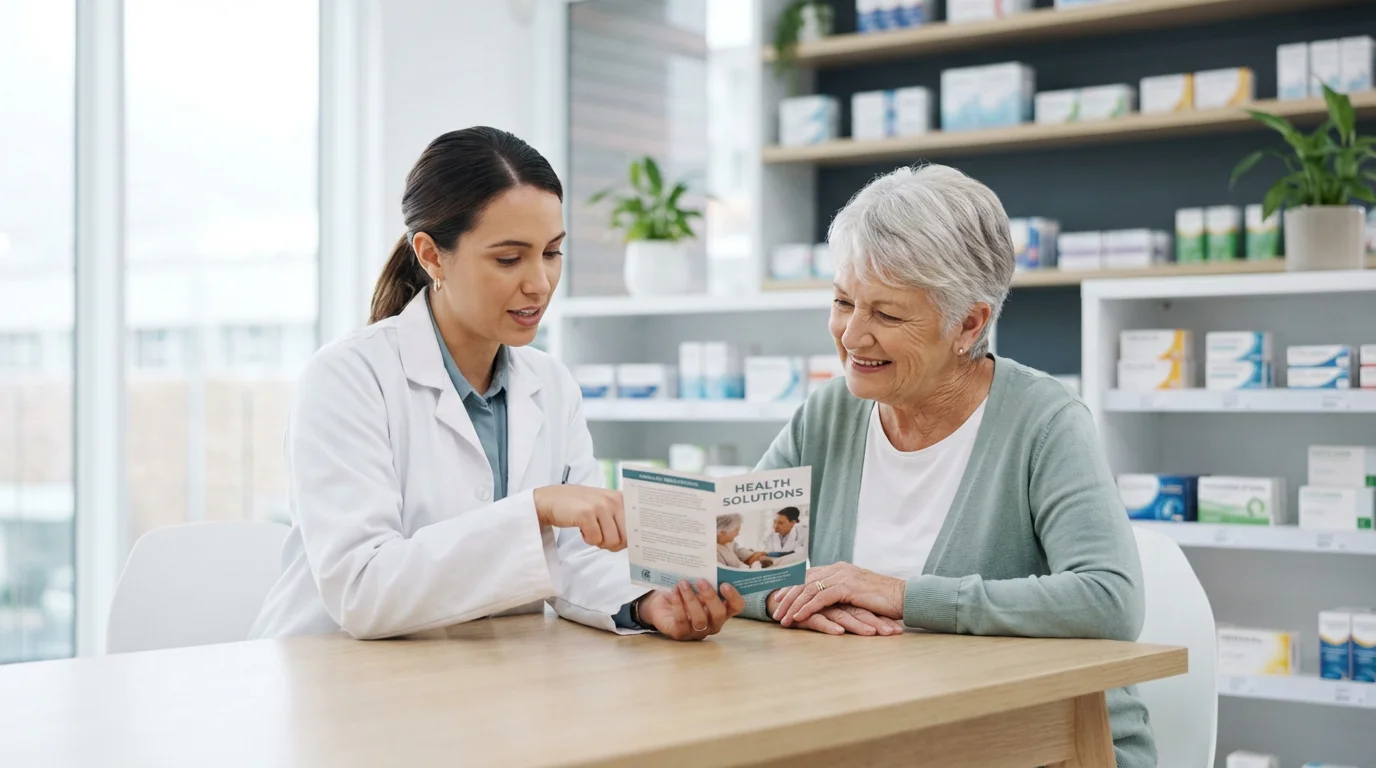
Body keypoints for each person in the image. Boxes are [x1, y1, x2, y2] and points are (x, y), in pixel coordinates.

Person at [250, 127, 742, 642]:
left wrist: (643, 602)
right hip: (335, 681)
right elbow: (363, 591)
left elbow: (575, 555)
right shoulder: (348, 379)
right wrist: (536, 508)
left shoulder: (550, 385)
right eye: (509, 258)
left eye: (551, 253)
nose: (539, 283)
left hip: (481, 679)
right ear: (432, 255)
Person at [741, 165, 1155, 767]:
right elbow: (726, 560)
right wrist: (795, 598)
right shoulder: (827, 413)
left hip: (1046, 744)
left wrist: (900, 596)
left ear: (968, 324)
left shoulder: (1045, 420)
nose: (852, 335)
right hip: (874, 734)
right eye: (842, 302)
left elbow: (1109, 600)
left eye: (886, 315)